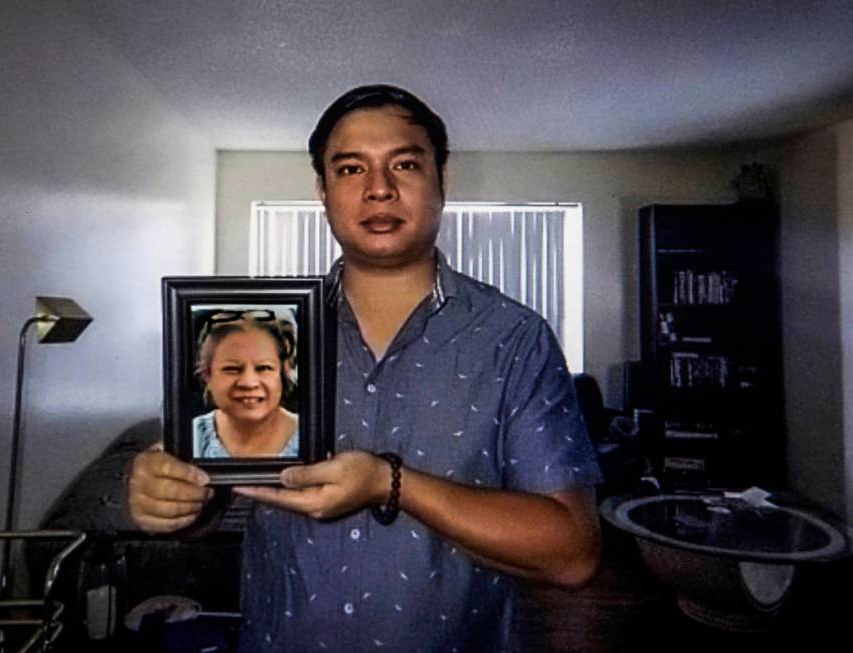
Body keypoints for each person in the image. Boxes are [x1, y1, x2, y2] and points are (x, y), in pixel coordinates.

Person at [128, 84, 602, 652]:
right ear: (322, 191)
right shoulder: (260, 332)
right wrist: (176, 500)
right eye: (351, 169)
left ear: (441, 179)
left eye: (404, 163)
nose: (379, 189)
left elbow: (573, 555)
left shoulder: (516, 338)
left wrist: (389, 483)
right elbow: (215, 497)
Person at [192, 309, 299, 458]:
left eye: (263, 368)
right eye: (232, 369)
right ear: (207, 376)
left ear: (283, 375)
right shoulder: (189, 438)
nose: (248, 383)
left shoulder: (314, 438)